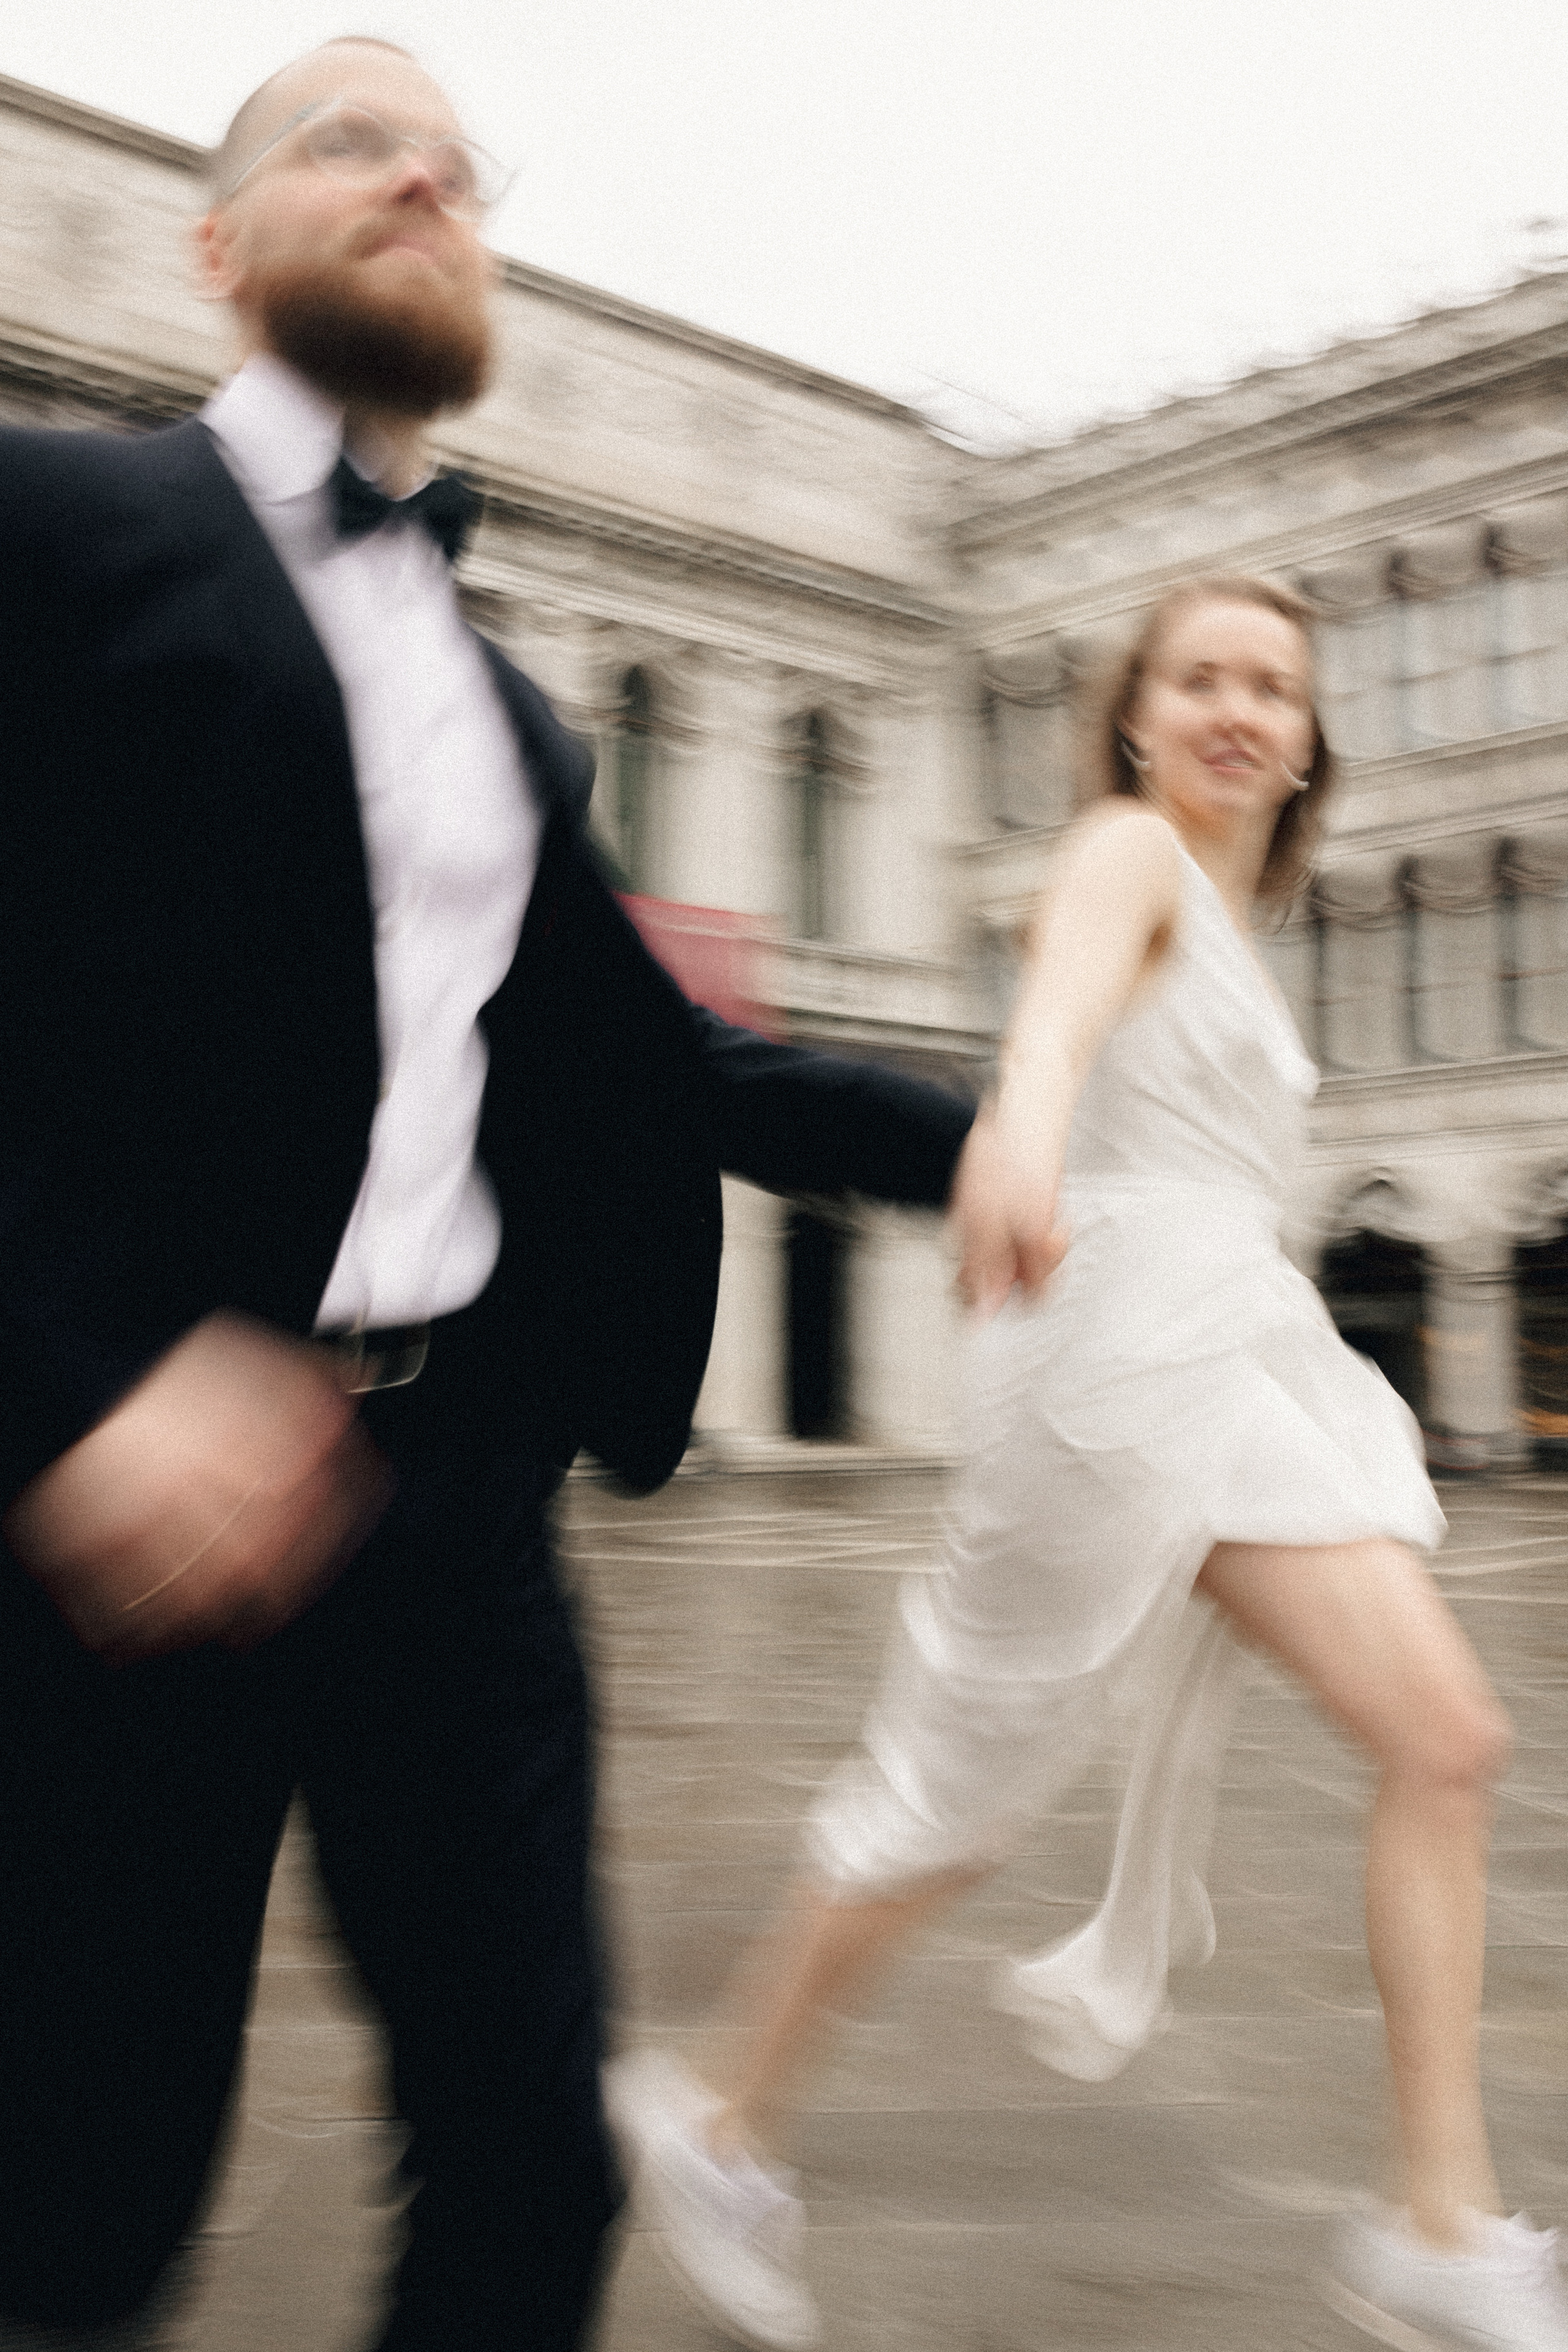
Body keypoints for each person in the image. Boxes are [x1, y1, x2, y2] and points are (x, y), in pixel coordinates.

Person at [0, 37, 984, 2352]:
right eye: (350, 139)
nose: (424, 171)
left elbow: (664, 1059)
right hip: (122, 1514)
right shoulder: (47, 528)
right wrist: (75, 1400)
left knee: (531, 2159)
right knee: (90, 2180)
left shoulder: (494, 697)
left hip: (455, 1506)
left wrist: (1015, 1130)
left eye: (457, 159)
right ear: (215, 247)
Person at [611, 576, 1568, 2352]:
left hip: (1222, 1342)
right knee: (966, 1778)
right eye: (1201, 676)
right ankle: (717, 2114)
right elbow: (1048, 1017)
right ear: (1132, 716)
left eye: (1273, 686)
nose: (1238, 707)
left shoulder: (1227, 901)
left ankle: (1437, 2216)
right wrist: (1021, 1143)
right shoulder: (1128, 851)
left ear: (1305, 739)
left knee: (1448, 1741)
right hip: (1114, 1344)